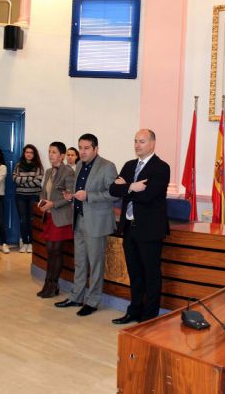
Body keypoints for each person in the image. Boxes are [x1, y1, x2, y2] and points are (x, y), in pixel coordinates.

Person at [109, 129, 170, 324]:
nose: (137, 145)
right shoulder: (129, 165)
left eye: (141, 141)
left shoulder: (161, 167)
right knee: (134, 273)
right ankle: (134, 311)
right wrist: (132, 187)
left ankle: (149, 316)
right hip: (129, 229)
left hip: (150, 230)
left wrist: (126, 188)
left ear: (152, 143)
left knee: (151, 274)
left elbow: (149, 196)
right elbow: (113, 189)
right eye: (135, 141)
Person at [54, 133, 117, 317]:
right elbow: (79, 191)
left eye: (86, 148)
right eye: (80, 148)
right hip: (79, 218)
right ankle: (76, 296)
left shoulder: (107, 166)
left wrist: (89, 196)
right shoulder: (79, 165)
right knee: (80, 262)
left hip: (96, 222)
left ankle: (93, 301)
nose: (82, 152)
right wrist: (70, 195)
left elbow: (114, 194)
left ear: (96, 149)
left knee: (95, 264)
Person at [36, 142, 75, 298]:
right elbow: (43, 191)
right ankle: (48, 283)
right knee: (50, 252)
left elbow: (70, 195)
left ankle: (52, 285)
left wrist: (54, 204)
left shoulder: (68, 172)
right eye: (49, 151)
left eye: (54, 152)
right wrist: (42, 202)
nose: (51, 155)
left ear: (62, 156)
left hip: (60, 218)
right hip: (49, 216)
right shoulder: (47, 171)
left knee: (56, 252)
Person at [12, 144, 44, 253]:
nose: (29, 154)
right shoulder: (18, 165)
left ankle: (31, 243)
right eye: (27, 152)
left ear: (34, 154)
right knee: (23, 219)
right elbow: (15, 179)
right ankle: (25, 242)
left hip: (34, 196)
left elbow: (38, 181)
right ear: (24, 153)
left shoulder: (38, 166)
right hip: (20, 196)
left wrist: (23, 180)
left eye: (31, 152)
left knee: (32, 220)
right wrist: (30, 179)